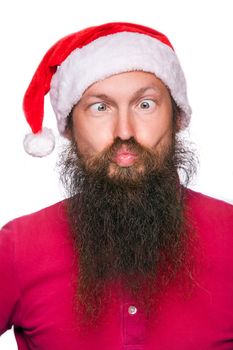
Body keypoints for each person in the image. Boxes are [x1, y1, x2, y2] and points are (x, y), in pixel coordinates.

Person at [0, 21, 233, 350]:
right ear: (70, 126)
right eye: (100, 107)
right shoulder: (16, 248)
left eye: (145, 104)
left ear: (177, 117)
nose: (124, 131)